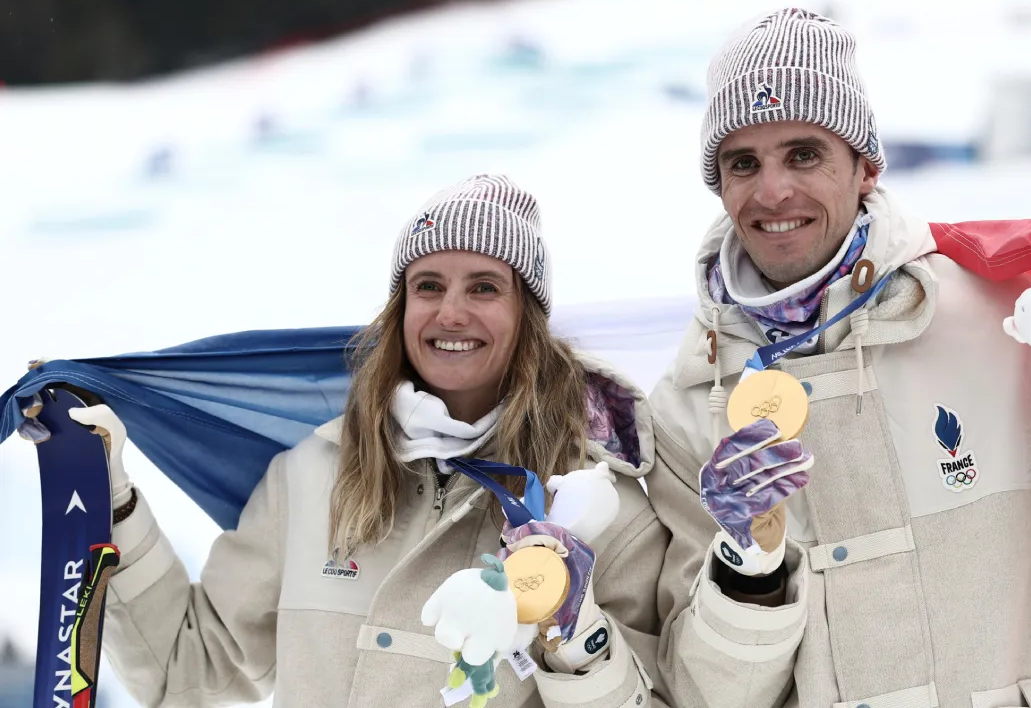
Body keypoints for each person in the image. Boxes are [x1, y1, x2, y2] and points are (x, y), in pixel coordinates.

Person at [644, 8, 1031, 708]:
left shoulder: (1016, 321)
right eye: (742, 163)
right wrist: (748, 565)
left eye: (805, 153)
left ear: (866, 165)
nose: (772, 190)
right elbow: (706, 698)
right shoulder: (690, 401)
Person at [78, 174, 668, 707]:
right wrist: (115, 503)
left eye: (485, 288)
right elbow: (190, 670)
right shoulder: (313, 474)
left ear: (528, 316)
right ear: (400, 310)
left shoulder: (597, 504)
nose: (452, 313)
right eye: (428, 285)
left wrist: (570, 628)